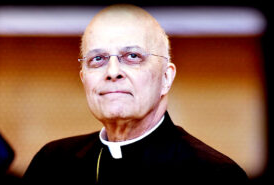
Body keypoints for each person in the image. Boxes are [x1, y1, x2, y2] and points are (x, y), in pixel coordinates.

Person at [23, 4, 248, 185]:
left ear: (166, 78)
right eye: (97, 59)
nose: (112, 72)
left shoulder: (216, 177)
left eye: (132, 56)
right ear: (84, 79)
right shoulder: (51, 164)